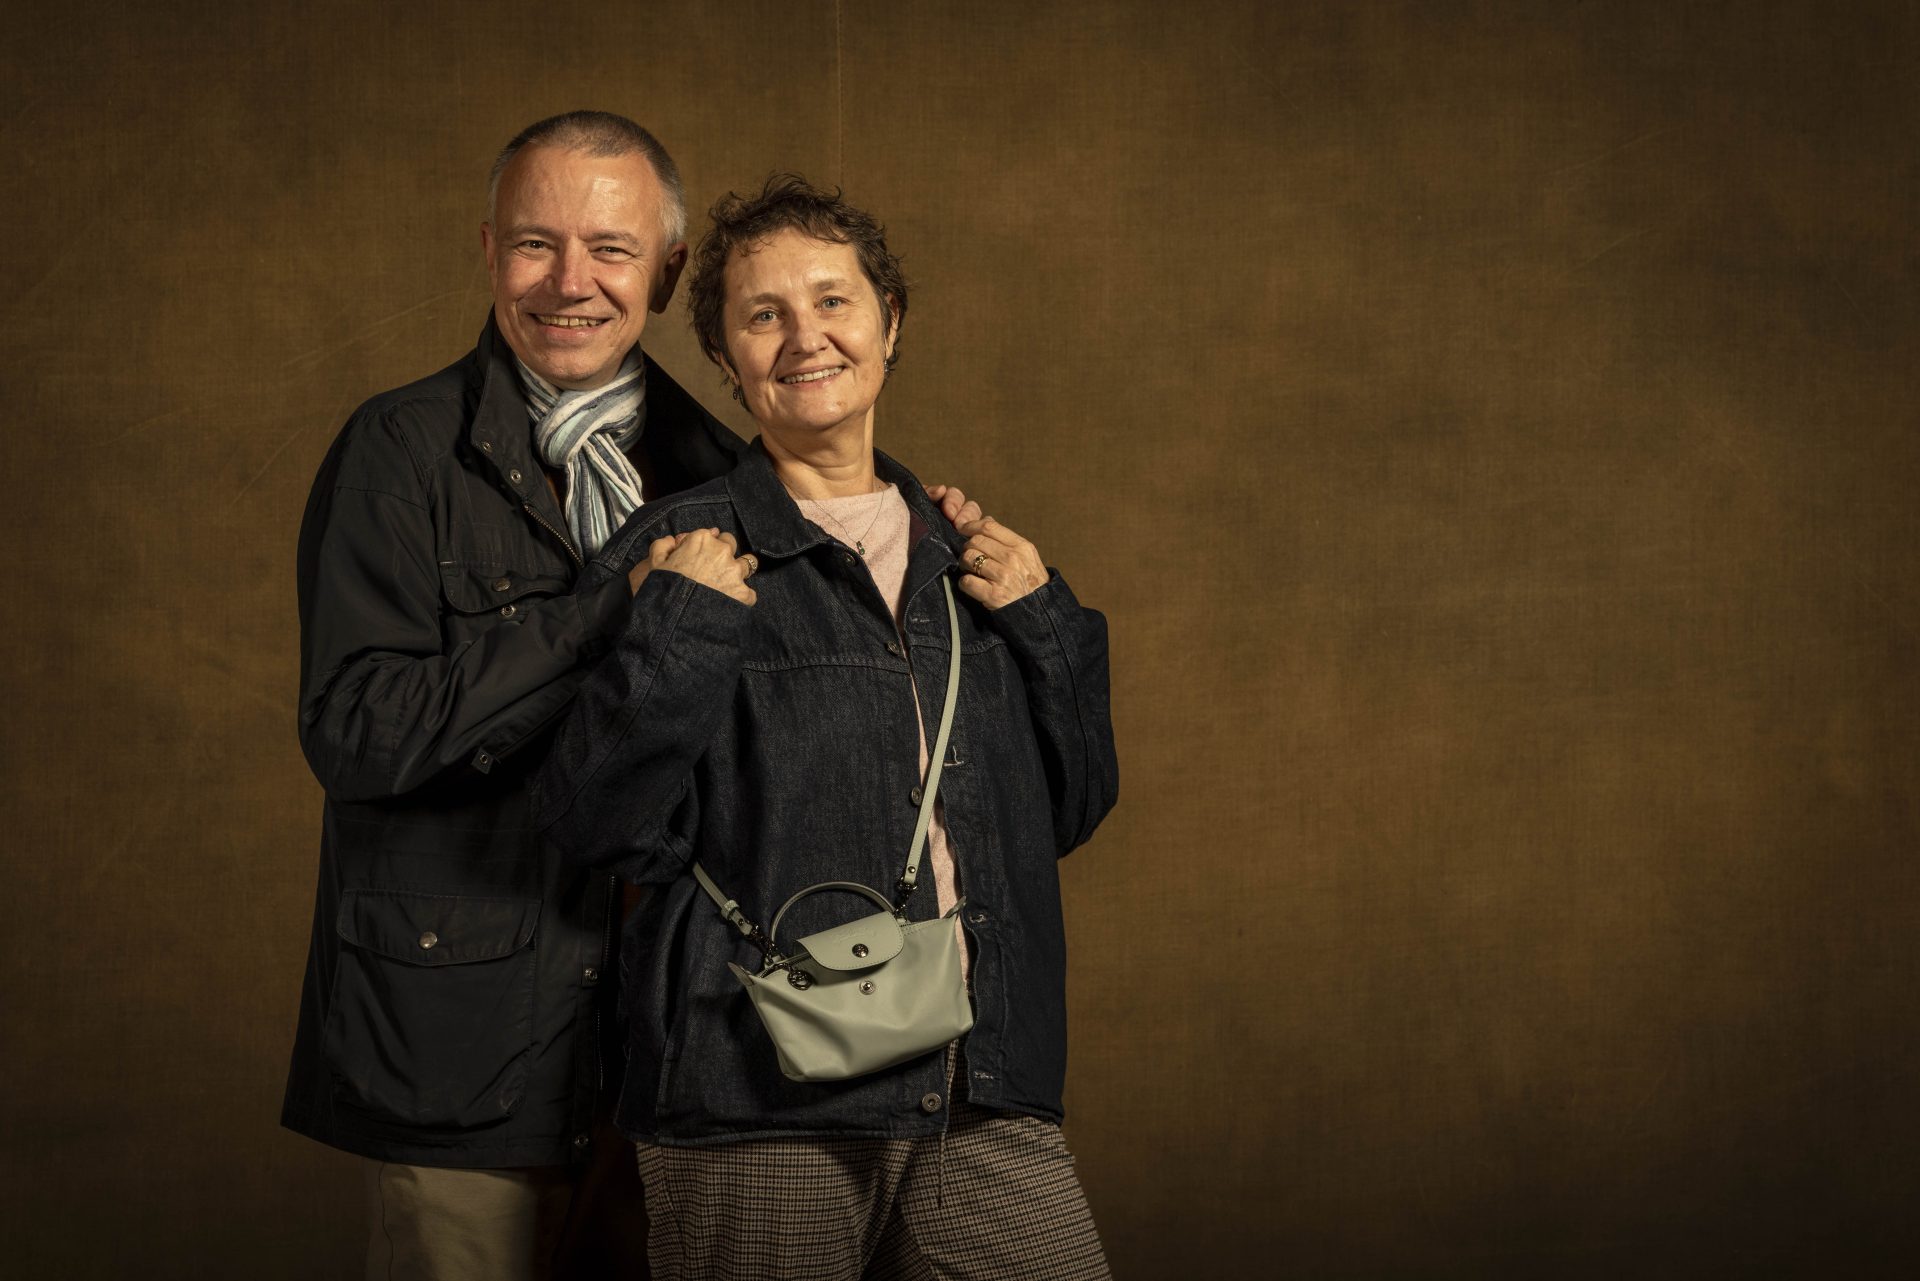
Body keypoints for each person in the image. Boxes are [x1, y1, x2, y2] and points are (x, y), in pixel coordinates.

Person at [534, 174, 1119, 1280]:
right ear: (728, 357)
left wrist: (1046, 621)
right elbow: (596, 821)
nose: (806, 337)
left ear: (889, 323)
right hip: (755, 1096)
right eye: (764, 314)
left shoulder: (970, 557)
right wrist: (682, 628)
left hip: (980, 1086)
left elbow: (1070, 810)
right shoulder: (679, 551)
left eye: (833, 301)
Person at [280, 111, 746, 1280]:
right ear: (490, 251)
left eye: (611, 249)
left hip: (669, 1049)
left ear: (667, 271)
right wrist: (605, 612)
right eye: (536, 244)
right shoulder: (400, 451)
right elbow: (358, 732)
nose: (569, 283)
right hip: (457, 1039)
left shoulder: (722, 473)